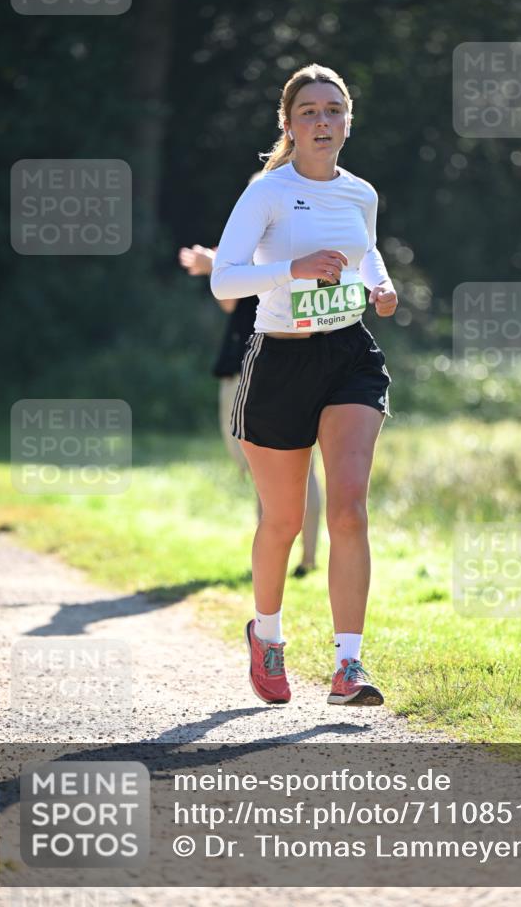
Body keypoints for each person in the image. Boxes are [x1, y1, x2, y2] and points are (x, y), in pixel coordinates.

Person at [211, 63, 398, 707]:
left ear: (348, 122)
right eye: (309, 112)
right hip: (279, 361)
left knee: (347, 508)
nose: (323, 121)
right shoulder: (267, 192)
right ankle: (266, 636)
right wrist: (293, 269)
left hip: (349, 355)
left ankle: (349, 666)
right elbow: (225, 278)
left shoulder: (361, 193)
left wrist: (379, 284)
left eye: (333, 110)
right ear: (289, 124)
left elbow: (366, 251)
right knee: (284, 520)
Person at [178, 242, 320, 577]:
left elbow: (235, 295)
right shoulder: (305, 240)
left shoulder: (260, 245)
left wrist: (217, 265)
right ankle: (303, 560)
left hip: (255, 366)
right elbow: (233, 301)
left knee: (266, 468)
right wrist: (218, 266)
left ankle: (277, 563)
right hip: (300, 364)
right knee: (300, 467)